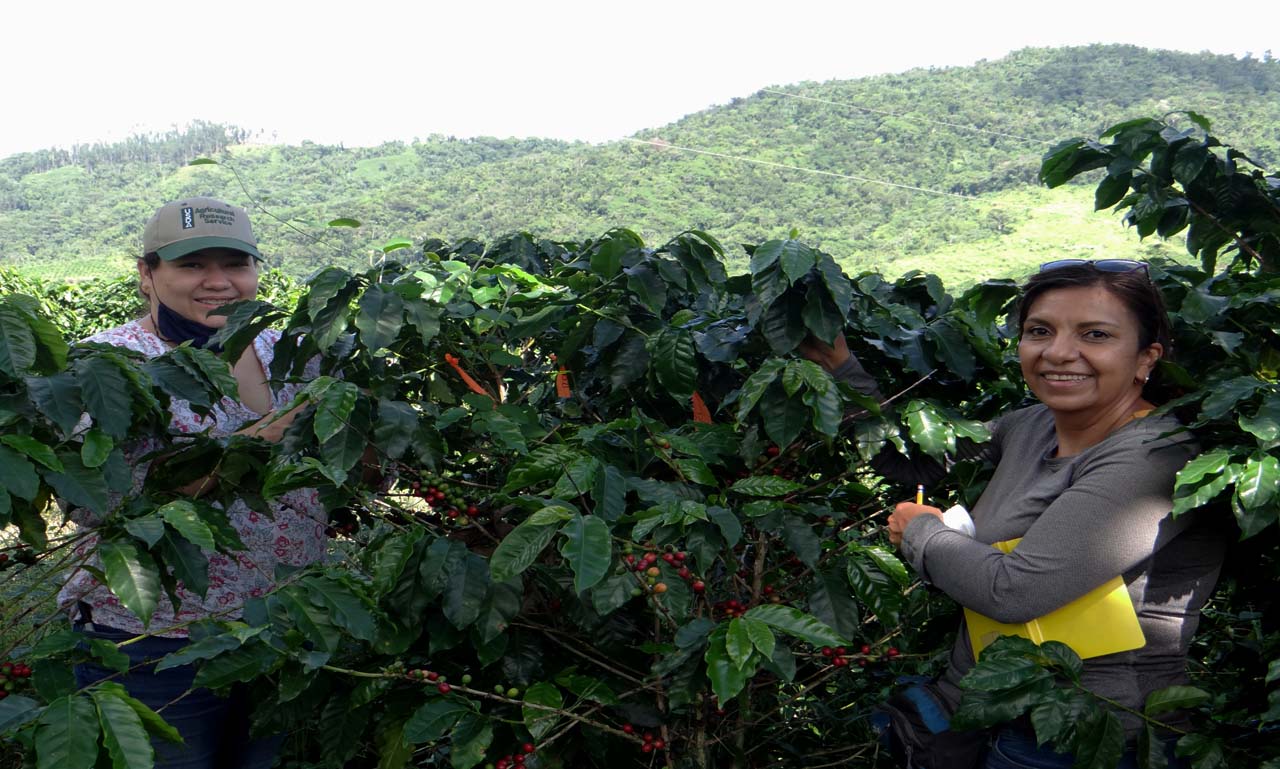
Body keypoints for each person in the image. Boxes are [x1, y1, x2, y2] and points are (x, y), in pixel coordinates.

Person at [801, 259, 1225, 769]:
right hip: (986, 716)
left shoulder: (1155, 456)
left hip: (1084, 740)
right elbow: (910, 461)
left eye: (1095, 334)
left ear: (1145, 358)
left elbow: (1016, 591)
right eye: (1039, 331)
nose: (1059, 352)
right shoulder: (1028, 425)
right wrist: (841, 368)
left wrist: (923, 534)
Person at [58, 196, 326, 769]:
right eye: (191, 265)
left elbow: (341, 467)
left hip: (285, 624)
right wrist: (258, 442)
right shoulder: (107, 364)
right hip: (152, 636)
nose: (218, 283)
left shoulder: (293, 351)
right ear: (147, 274)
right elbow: (96, 503)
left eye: (235, 264)